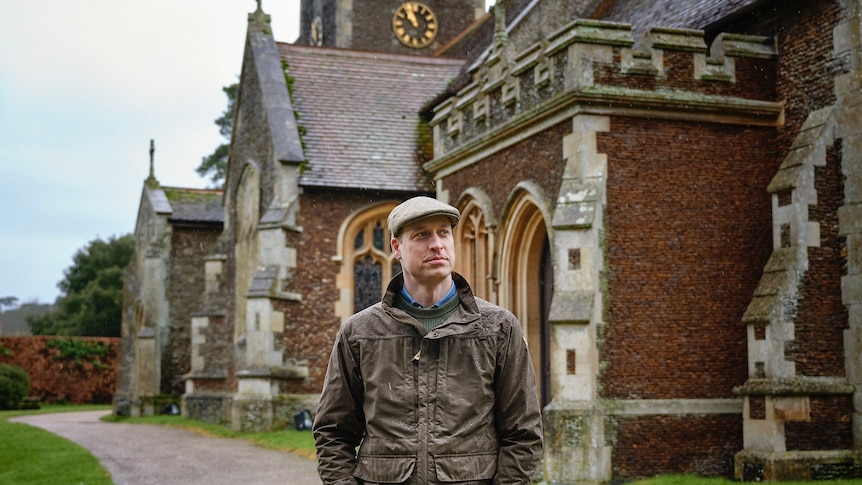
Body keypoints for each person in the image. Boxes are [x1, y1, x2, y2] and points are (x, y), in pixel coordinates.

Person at [313, 196, 543, 484]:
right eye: (422, 234)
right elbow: (333, 431)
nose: (437, 244)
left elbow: (523, 434)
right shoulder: (359, 333)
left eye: (444, 232)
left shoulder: (497, 328)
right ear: (396, 247)